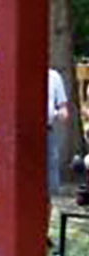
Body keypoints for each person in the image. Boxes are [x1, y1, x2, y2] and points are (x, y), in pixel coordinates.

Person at [47, 68, 70, 201]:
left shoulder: (54, 76)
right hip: (25, 130)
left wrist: (62, 111)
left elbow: (62, 105)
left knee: (51, 166)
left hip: (47, 128)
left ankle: (48, 210)